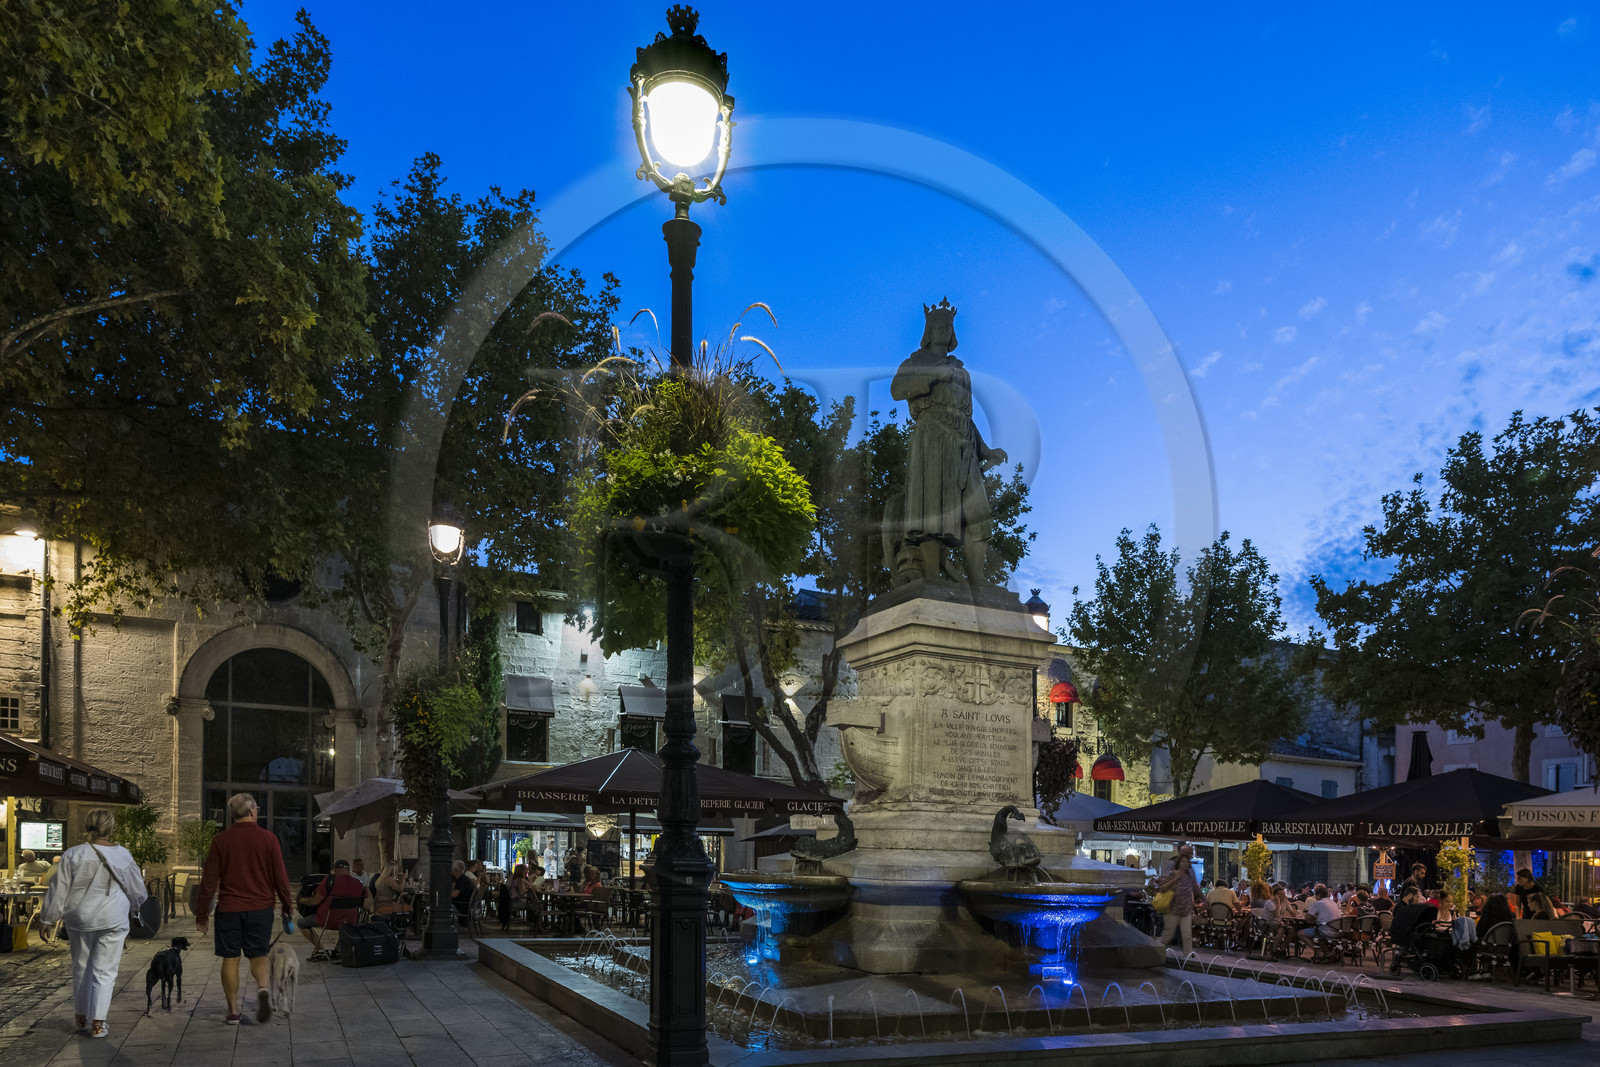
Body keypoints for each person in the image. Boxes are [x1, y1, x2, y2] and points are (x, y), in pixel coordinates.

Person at [38, 808, 148, 1039]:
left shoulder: (73, 854)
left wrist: (48, 918)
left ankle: (81, 1018)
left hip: (79, 917)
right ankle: (98, 1024)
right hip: (113, 918)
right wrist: (135, 907)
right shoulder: (123, 855)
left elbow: (59, 889)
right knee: (105, 971)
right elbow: (138, 891)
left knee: (80, 968)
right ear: (111, 827)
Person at [194, 793, 297, 1026]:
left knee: (230, 958)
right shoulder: (269, 839)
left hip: (229, 909)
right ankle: (262, 989)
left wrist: (202, 914)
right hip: (261, 909)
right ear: (252, 811)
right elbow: (281, 877)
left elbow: (208, 880)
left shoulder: (221, 840)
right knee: (259, 955)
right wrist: (287, 907)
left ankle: (233, 1011)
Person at [303, 859, 368, 961]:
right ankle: (338, 949)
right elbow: (367, 905)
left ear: (334, 870)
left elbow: (314, 901)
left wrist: (301, 900)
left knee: (301, 923)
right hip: (351, 922)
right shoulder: (359, 884)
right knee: (344, 922)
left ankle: (320, 950)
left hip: (328, 921)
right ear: (348, 870)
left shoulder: (330, 880)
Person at [1157, 852, 1200, 955]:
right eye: (1183, 861)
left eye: (1187, 862)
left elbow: (1195, 888)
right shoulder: (1173, 873)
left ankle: (1188, 958)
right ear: (1179, 863)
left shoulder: (1189, 876)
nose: (1185, 864)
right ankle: (1157, 952)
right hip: (1173, 909)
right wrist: (1175, 879)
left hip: (1185, 910)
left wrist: (1204, 899)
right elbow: (1162, 888)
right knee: (1168, 934)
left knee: (1187, 936)